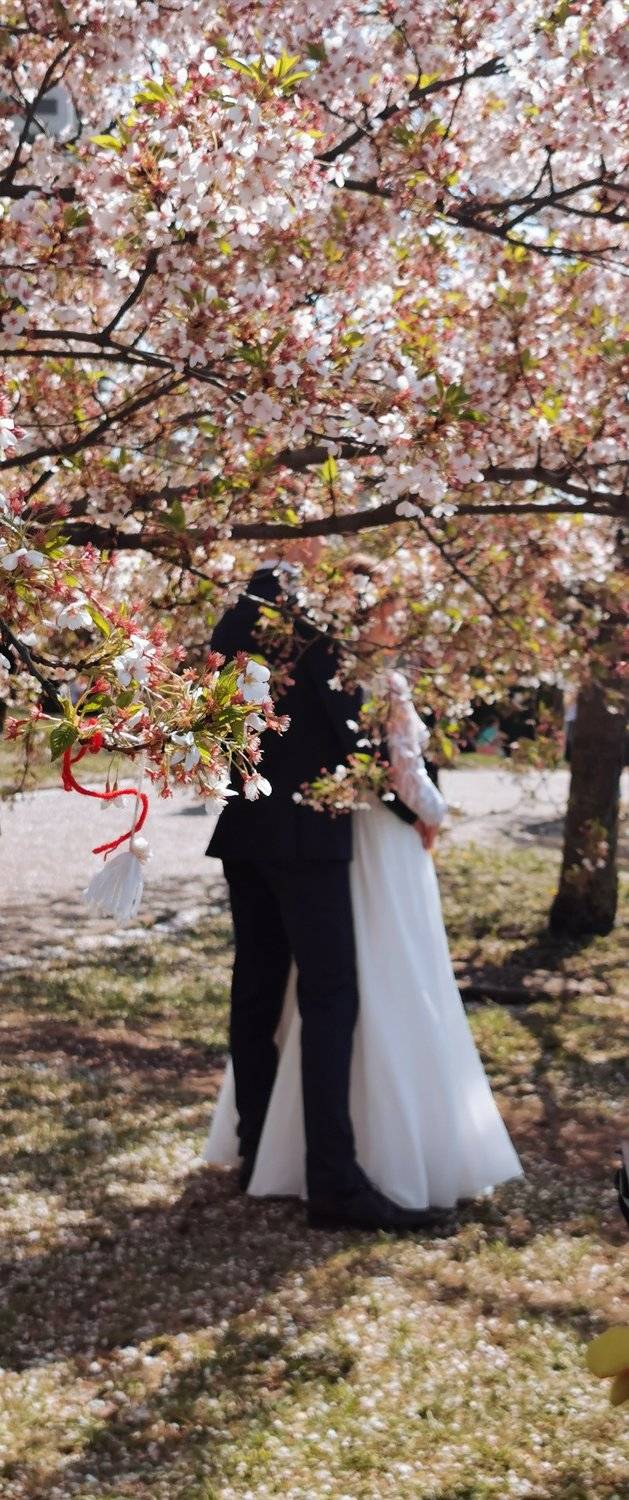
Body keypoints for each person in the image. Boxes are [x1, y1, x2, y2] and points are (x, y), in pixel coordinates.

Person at [204, 561, 522, 1221]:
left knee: (256, 994)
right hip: (309, 836)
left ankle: (258, 1146)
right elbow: (374, 754)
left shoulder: (253, 615)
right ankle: (333, 1181)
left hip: (248, 829)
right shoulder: (334, 650)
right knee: (329, 997)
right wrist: (423, 814)